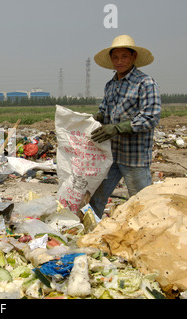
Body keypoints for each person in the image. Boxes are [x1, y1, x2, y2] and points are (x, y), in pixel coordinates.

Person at [89, 34, 161, 218]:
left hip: (134, 157)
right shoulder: (111, 85)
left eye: (124, 57)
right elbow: (104, 111)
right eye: (115, 57)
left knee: (141, 204)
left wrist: (117, 128)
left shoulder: (145, 83)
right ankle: (92, 234)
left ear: (133, 57)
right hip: (111, 155)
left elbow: (150, 118)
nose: (119, 61)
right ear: (111, 60)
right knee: (95, 197)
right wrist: (96, 118)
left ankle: (145, 239)